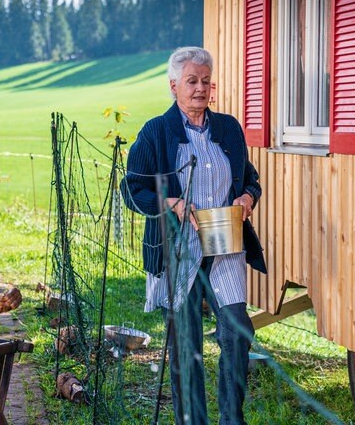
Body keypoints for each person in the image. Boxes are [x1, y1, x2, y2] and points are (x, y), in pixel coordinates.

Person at [121, 47, 267, 425]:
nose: (200, 89)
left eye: (205, 81)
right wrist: (172, 203)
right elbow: (132, 188)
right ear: (174, 86)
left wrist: (247, 197)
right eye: (191, 81)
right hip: (180, 249)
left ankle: (232, 419)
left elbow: (249, 177)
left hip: (224, 244)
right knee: (187, 346)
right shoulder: (157, 132)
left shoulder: (229, 129)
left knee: (237, 331)